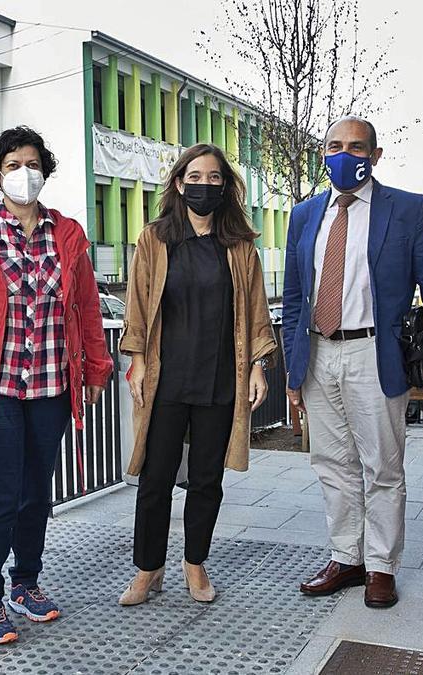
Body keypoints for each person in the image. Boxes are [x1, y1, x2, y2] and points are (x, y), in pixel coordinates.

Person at [0, 126, 114, 645]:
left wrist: (96, 369)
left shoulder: (68, 234)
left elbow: (88, 310)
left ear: (45, 170)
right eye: (12, 165)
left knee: (37, 496)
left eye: (32, 163)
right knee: (2, 496)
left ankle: (24, 583)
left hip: (51, 386)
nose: (23, 173)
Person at [283, 117, 423, 608]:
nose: (346, 155)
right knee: (331, 464)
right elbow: (295, 296)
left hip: (373, 351)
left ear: (375, 155)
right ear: (324, 154)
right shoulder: (304, 215)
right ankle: (347, 557)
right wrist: (293, 366)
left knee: (382, 466)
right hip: (319, 352)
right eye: (335, 146)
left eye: (357, 147)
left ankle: (381, 566)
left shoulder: (408, 209)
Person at [118, 144, 278, 606]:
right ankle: (148, 570)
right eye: (195, 176)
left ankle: (195, 565)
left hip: (219, 379)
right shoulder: (155, 238)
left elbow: (255, 311)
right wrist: (138, 361)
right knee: (155, 479)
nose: (204, 185)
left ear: (225, 187)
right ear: (178, 182)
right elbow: (137, 305)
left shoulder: (240, 245)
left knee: (207, 480)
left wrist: (257, 367)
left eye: (214, 178)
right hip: (166, 379)